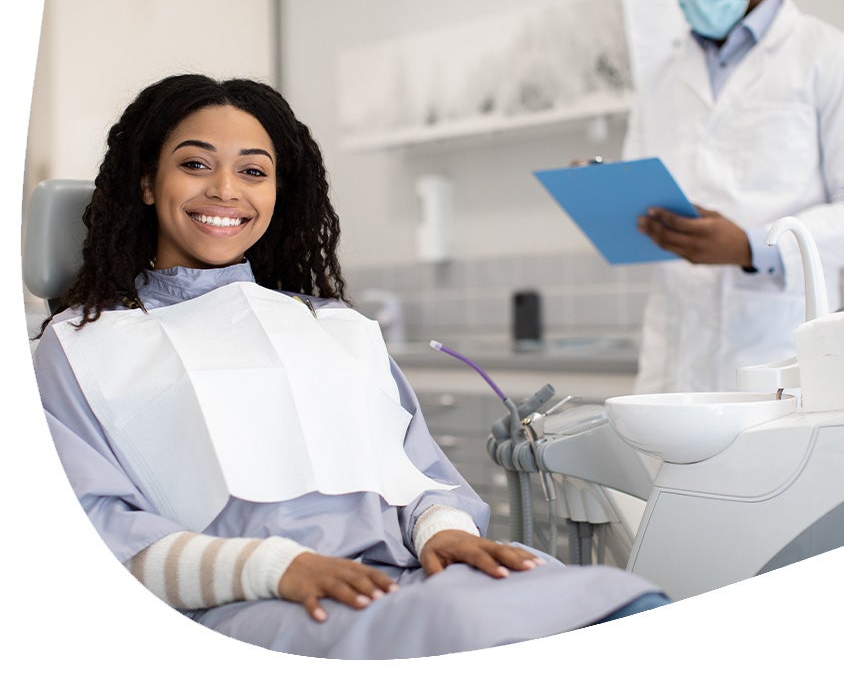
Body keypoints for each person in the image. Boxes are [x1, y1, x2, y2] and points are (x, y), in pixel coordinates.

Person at [31, 74, 667, 660]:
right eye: (195, 164)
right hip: (253, 601)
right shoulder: (83, 346)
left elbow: (421, 474)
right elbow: (91, 533)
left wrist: (443, 533)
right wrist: (273, 569)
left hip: (417, 572)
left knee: (620, 603)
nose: (225, 189)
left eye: (253, 171)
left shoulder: (335, 326)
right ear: (147, 183)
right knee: (470, 630)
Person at [624, 0, 844, 393]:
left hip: (778, 349)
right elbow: (638, 186)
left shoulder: (827, 55)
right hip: (672, 357)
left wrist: (750, 246)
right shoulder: (659, 77)